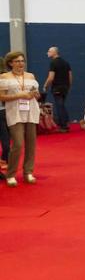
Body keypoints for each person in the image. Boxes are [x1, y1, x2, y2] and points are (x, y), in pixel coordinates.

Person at [0, 51, 41, 187]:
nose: (20, 63)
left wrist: (35, 94)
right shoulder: (5, 77)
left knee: (31, 143)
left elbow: (37, 94)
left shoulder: (30, 76)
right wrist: (20, 95)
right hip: (14, 112)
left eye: (22, 61)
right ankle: (11, 174)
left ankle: (28, 172)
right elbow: (2, 97)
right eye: (17, 61)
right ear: (11, 63)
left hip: (31, 111)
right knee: (17, 143)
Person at [43, 46, 72, 132]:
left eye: (49, 51)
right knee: (62, 105)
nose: (47, 53)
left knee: (59, 106)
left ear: (54, 52)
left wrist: (45, 85)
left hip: (57, 87)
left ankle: (63, 126)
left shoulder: (53, 63)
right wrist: (68, 86)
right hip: (65, 87)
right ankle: (66, 122)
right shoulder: (66, 63)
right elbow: (70, 76)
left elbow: (51, 77)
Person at [0, 56, 9, 172]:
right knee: (6, 143)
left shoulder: (5, 78)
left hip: (3, 111)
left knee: (6, 143)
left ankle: (5, 160)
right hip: (4, 112)